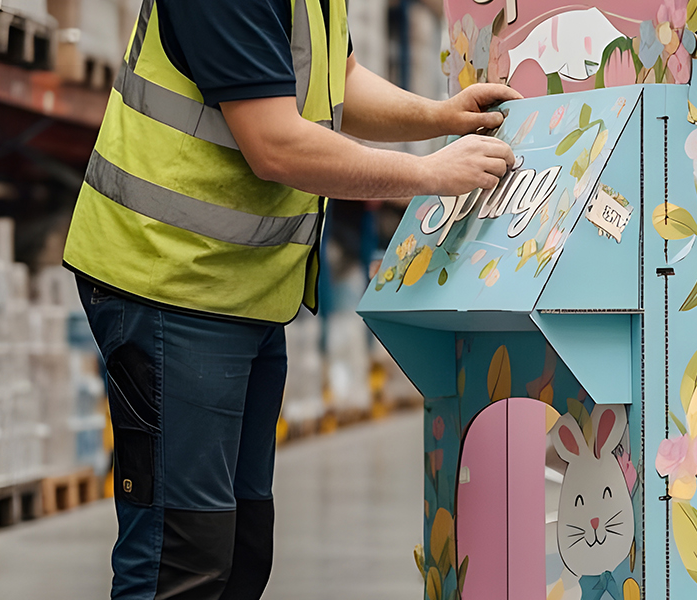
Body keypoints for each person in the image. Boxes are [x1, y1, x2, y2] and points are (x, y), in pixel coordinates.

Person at [62, 1, 519, 598]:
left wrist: (437, 116)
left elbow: (341, 82)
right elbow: (274, 144)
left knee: (243, 548)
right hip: (169, 281)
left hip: (244, 294)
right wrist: (429, 174)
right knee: (181, 562)